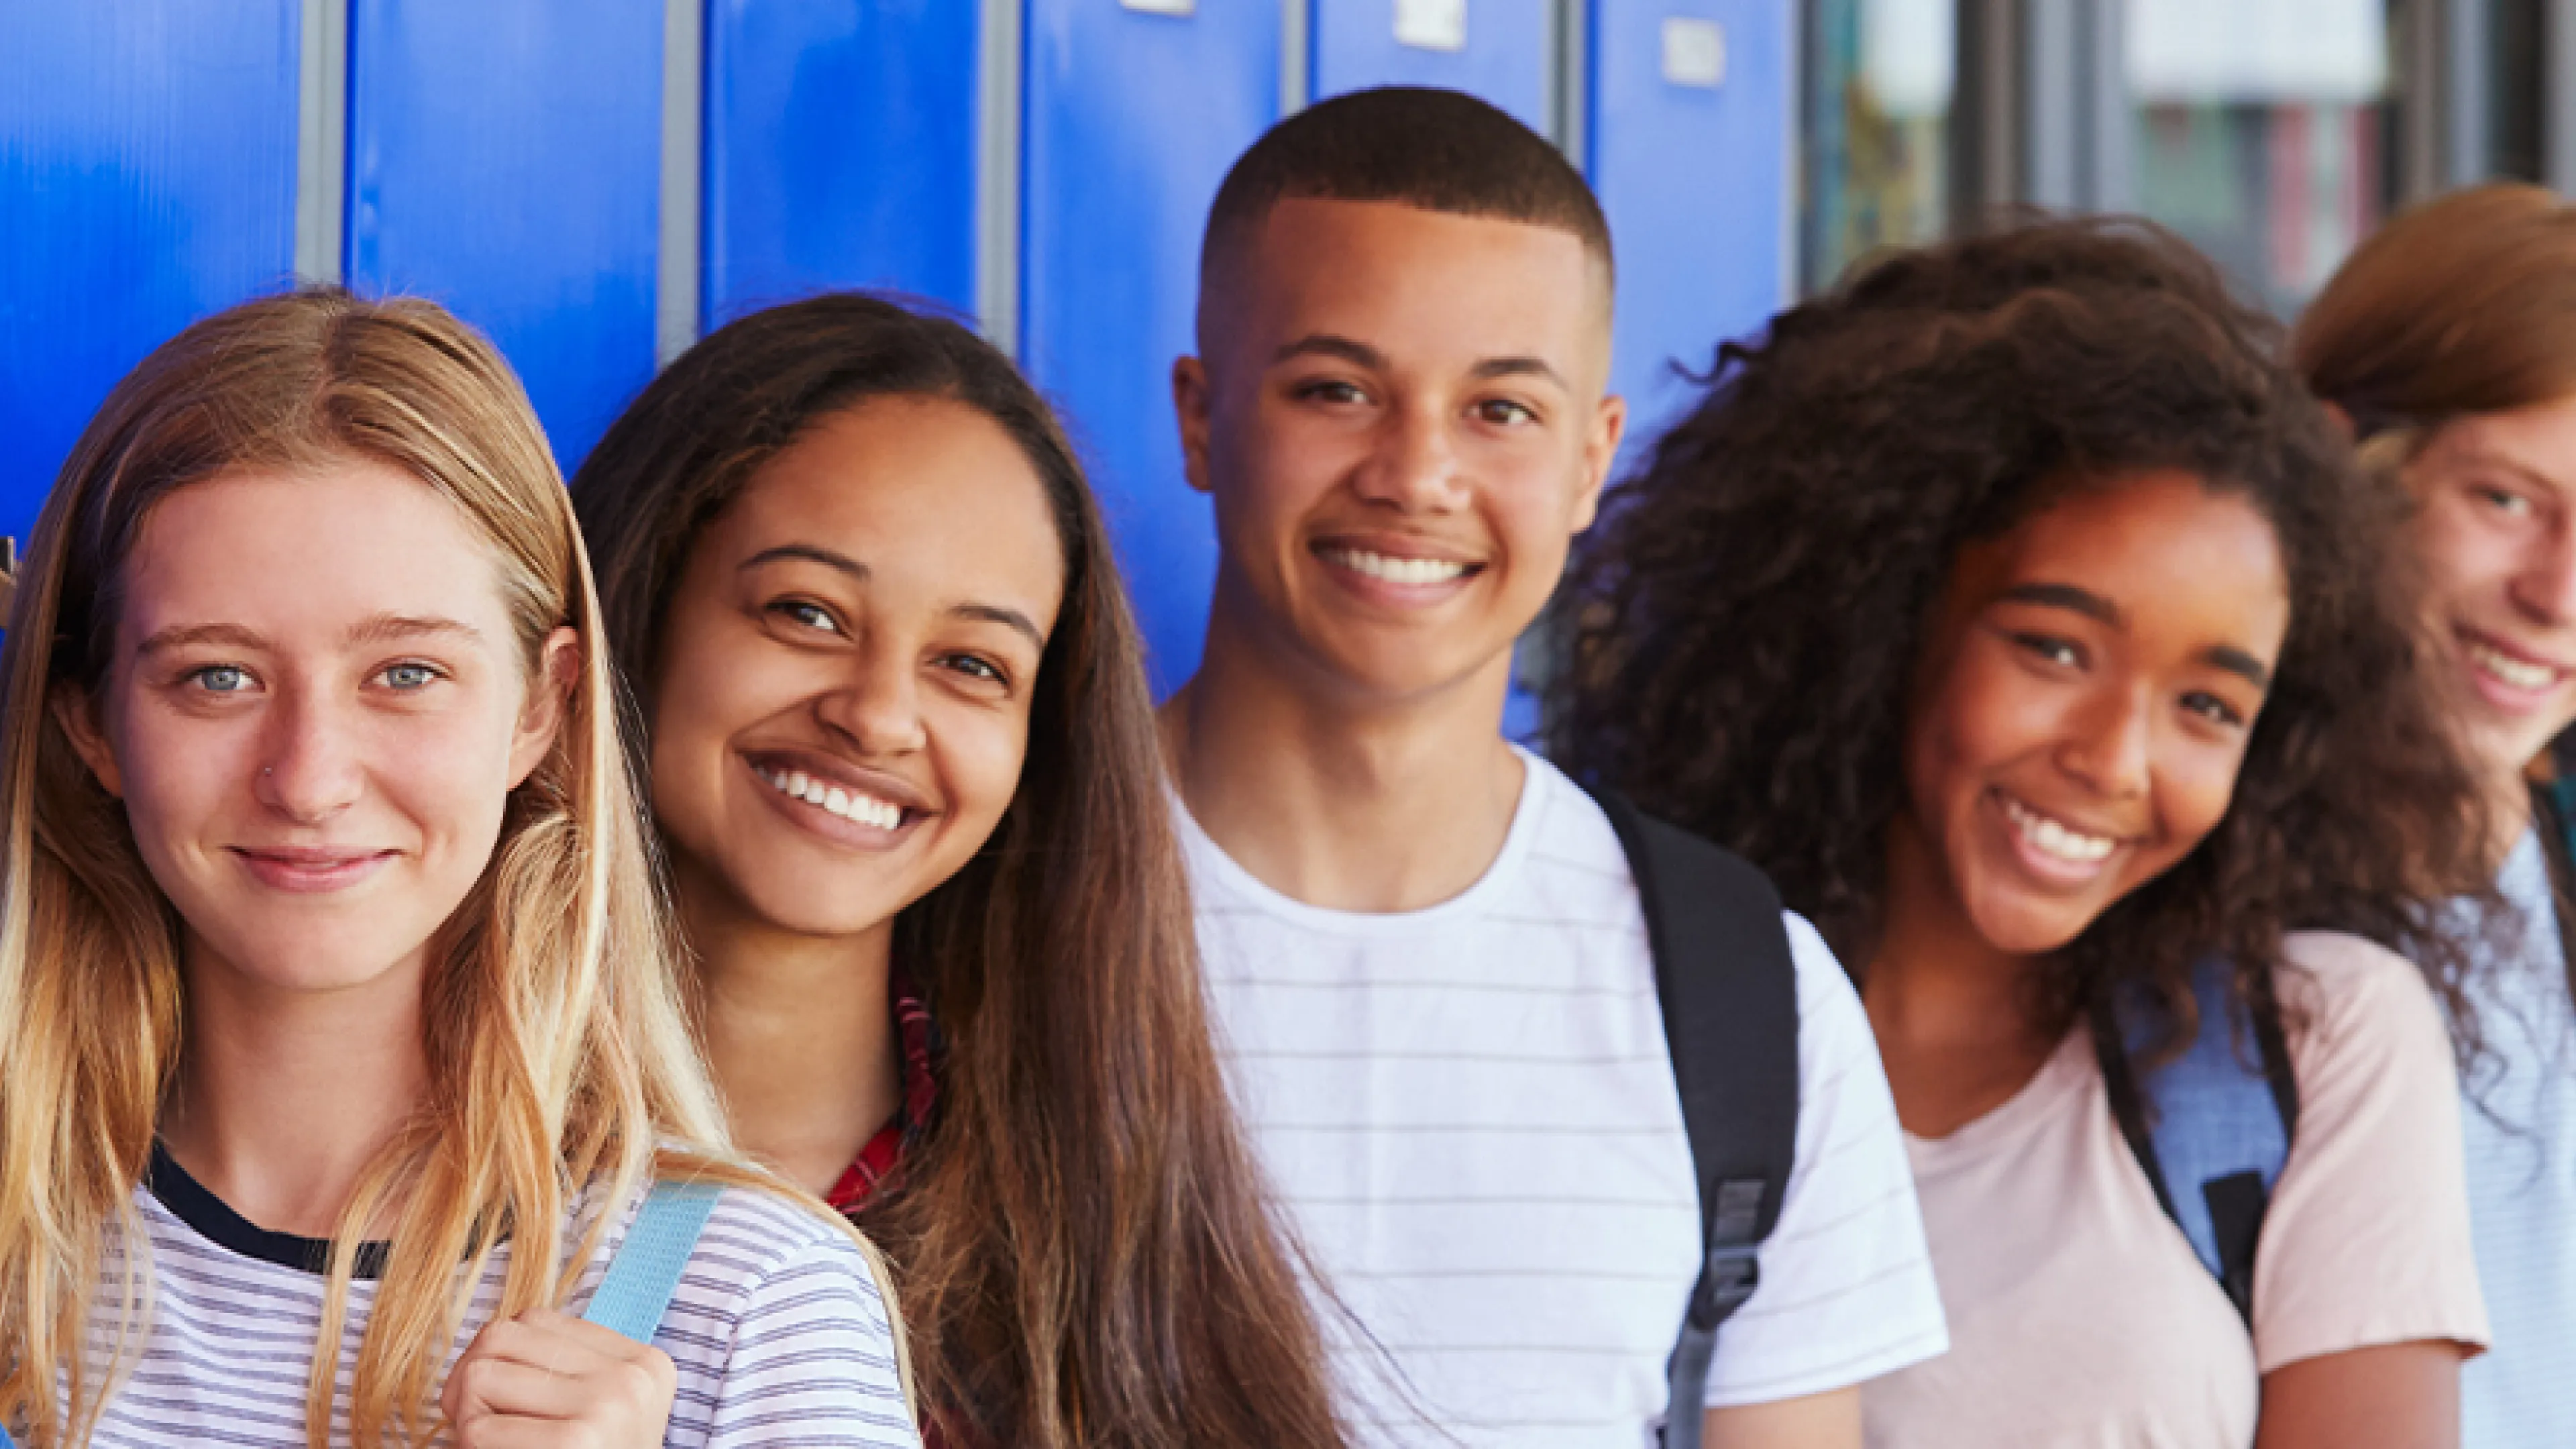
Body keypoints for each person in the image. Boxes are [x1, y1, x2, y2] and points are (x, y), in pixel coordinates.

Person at [1552, 217, 2492, 1447]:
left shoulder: (2313, 1045)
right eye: (2054, 647)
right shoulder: (1634, 1007)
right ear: (1890, 614)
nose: (2113, 759)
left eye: (2207, 705)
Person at [1157, 85, 1948, 1448]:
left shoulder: (1749, 998)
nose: (1417, 474)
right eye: (1337, 391)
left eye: (1501, 411)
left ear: (1592, 462)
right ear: (1199, 417)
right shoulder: (981, 901)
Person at [0, 290, 921, 1448]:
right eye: (218, 677)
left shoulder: (748, 1306)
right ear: (92, 725)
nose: (310, 779)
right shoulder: (18, 1254)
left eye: (407, 674)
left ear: (542, 706)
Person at [568, 293, 1346, 1449]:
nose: (879, 715)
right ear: (642, 603)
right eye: (806, 611)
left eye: (973, 664)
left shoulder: (1108, 1239)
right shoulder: (383, 1138)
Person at [2296, 181, 2576, 1448]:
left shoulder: (2546, 849)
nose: (2557, 595)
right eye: (2506, 501)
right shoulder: (2221, 871)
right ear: (2347, 469)